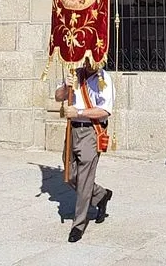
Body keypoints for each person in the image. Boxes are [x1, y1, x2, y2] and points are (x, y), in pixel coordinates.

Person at [54, 57, 114, 243]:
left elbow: (104, 110)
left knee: (85, 178)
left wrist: (79, 113)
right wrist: (66, 86)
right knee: (70, 174)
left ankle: (78, 224)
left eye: (92, 60)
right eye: (86, 59)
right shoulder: (75, 74)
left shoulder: (104, 79)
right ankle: (100, 195)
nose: (88, 63)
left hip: (90, 131)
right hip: (73, 130)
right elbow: (58, 96)